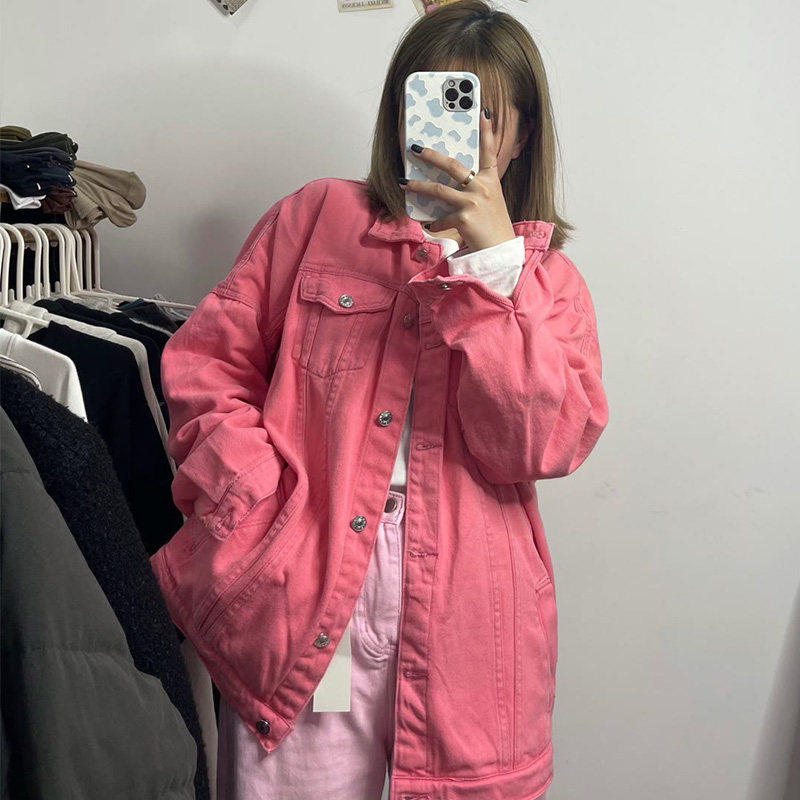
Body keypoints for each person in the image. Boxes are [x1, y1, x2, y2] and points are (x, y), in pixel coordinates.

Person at [148, 2, 610, 799]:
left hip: (470, 613)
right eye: (430, 101)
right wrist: (254, 503)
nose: (453, 133)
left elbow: (538, 445)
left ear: (520, 135)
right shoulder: (317, 218)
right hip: (307, 580)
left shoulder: (547, 286)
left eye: (482, 112)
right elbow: (207, 365)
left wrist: (489, 268)